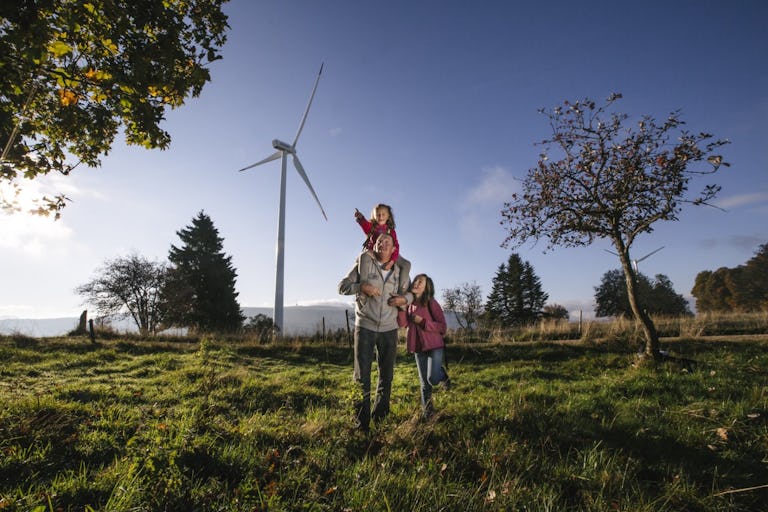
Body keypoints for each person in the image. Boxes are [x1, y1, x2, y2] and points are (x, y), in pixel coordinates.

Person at [338, 233, 411, 432]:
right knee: (362, 376)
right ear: (375, 245)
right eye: (379, 242)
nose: (383, 244)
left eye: (387, 242)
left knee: (386, 376)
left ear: (394, 248)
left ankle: (380, 418)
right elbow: (342, 286)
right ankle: (361, 423)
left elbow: (412, 293)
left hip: (389, 329)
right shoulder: (363, 264)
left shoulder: (399, 269)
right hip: (365, 327)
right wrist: (362, 286)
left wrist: (404, 300)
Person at [397, 273, 450, 419]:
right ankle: (428, 415)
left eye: (421, 282)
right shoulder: (409, 305)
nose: (416, 283)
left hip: (434, 346)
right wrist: (401, 309)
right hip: (418, 348)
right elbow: (403, 324)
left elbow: (442, 327)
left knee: (432, 379)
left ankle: (442, 374)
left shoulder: (431, 303)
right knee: (424, 384)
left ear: (427, 287)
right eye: (415, 280)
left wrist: (423, 322)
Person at [354, 204, 411, 279]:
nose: (380, 217)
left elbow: (396, 245)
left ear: (388, 216)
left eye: (383, 214)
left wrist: (392, 261)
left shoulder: (391, 231)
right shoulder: (372, 227)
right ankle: (363, 281)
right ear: (374, 216)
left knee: (406, 264)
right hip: (373, 251)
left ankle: (401, 289)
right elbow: (366, 227)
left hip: (389, 253)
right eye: (378, 215)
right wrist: (361, 218)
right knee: (362, 258)